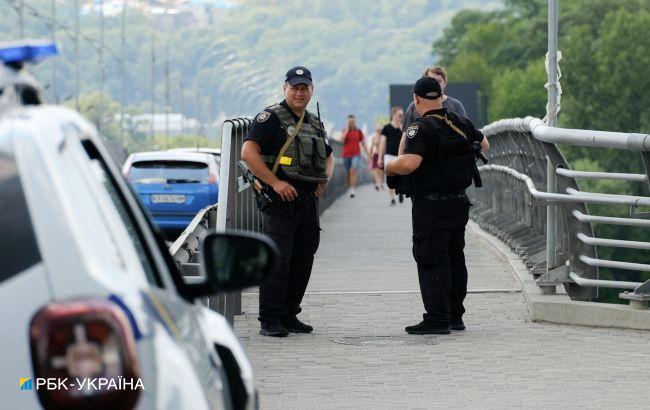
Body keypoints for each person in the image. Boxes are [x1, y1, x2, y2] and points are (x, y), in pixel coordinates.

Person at [384, 77, 489, 335]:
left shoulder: (420, 128)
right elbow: (485, 144)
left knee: (431, 257)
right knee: (455, 256)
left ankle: (437, 318)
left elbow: (409, 163)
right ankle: (456, 316)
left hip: (430, 205)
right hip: (458, 201)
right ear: (441, 96)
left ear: (416, 99)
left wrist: (388, 165)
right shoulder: (460, 122)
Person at [241, 66, 335, 337]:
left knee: (303, 258)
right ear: (285, 88)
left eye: (304, 87)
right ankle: (269, 319)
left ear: (312, 90)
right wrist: (275, 182)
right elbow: (248, 152)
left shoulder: (313, 121)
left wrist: (324, 180)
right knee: (278, 261)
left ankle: (289, 314)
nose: (299, 92)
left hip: (307, 201)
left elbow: (329, 156)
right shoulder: (269, 117)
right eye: (295, 87)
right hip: (280, 201)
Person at [399, 65, 467, 155]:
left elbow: (466, 132)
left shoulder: (456, 105)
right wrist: (400, 159)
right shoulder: (413, 107)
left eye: (439, 81)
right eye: (431, 80)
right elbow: (405, 136)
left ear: (445, 83)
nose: (435, 84)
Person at [378, 106, 404, 205]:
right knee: (390, 176)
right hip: (389, 156)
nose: (401, 117)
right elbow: (382, 143)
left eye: (402, 115)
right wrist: (380, 157)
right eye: (399, 115)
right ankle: (392, 198)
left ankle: (400, 190)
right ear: (393, 115)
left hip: (400, 156)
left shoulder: (404, 128)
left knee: (401, 176)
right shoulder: (387, 128)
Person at [340, 114, 370, 198]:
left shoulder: (359, 132)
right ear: (347, 122)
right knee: (348, 173)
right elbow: (341, 140)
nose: (351, 123)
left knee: (353, 170)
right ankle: (350, 187)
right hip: (346, 155)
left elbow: (364, 144)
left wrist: (368, 156)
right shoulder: (344, 130)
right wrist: (347, 129)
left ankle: (352, 189)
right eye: (350, 122)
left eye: (352, 122)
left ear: (355, 122)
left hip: (356, 154)